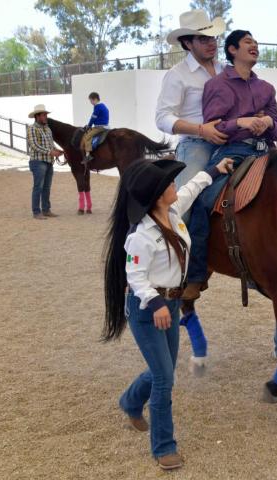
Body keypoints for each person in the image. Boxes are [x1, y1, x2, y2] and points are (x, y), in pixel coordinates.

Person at [102, 156, 233, 471]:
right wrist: (155, 302)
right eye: (169, 183)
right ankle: (164, 446)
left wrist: (213, 171)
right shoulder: (140, 237)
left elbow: (191, 188)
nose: (175, 185)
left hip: (171, 305)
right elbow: (135, 277)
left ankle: (131, 401)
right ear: (159, 194)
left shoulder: (173, 213)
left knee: (164, 368)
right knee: (164, 378)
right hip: (148, 309)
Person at [184, 29, 277, 299]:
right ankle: (195, 275)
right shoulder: (217, 85)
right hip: (234, 151)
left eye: (256, 41)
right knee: (202, 202)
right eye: (248, 42)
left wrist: (268, 123)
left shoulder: (266, 88)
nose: (254, 45)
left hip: (269, 151)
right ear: (232, 50)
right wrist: (241, 121)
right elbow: (213, 127)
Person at [156, 9, 228, 189]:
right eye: (204, 39)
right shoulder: (177, 75)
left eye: (213, 37)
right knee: (186, 201)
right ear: (188, 43)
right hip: (196, 144)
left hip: (230, 139)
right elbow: (162, 117)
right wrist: (201, 130)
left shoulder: (226, 70)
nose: (211, 43)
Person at [26, 104, 64, 219]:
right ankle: (36, 212)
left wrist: (57, 150)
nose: (46, 117)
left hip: (48, 161)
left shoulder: (47, 129)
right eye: (44, 115)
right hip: (37, 162)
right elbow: (34, 146)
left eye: (46, 115)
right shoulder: (32, 128)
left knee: (46, 187)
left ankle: (46, 210)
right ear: (37, 116)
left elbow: (50, 144)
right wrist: (50, 152)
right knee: (38, 187)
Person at [81, 92, 110, 165]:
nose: (90, 102)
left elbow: (93, 117)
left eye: (91, 100)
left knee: (87, 137)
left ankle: (88, 155)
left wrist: (89, 125)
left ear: (95, 99)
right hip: (105, 126)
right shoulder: (103, 105)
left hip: (99, 127)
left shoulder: (97, 107)